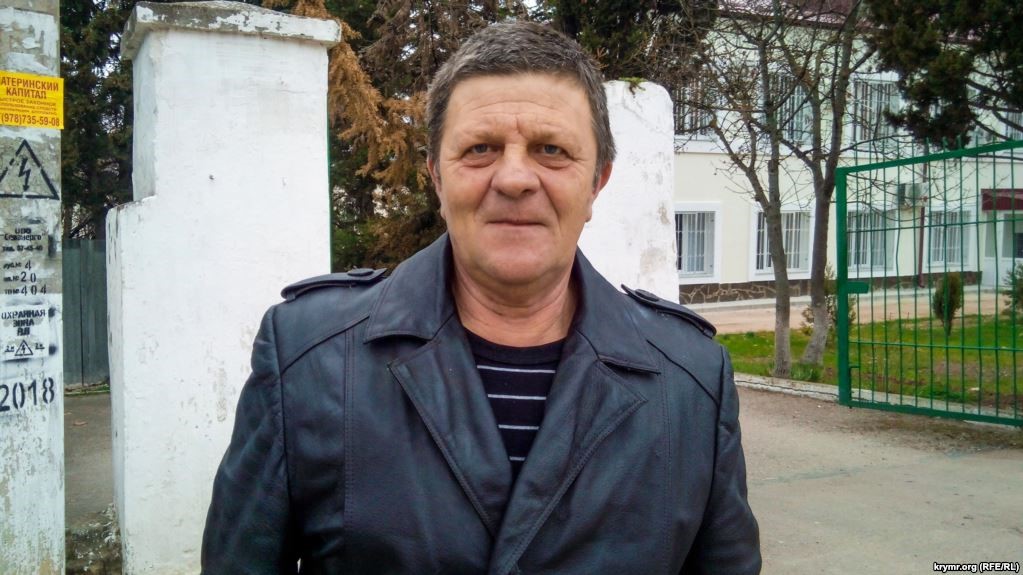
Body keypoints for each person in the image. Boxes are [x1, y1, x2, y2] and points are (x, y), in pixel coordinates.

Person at [202, 20, 760, 574]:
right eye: (480, 149)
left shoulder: (691, 380)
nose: (514, 179)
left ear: (597, 183)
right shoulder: (308, 358)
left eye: (551, 149)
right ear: (437, 178)